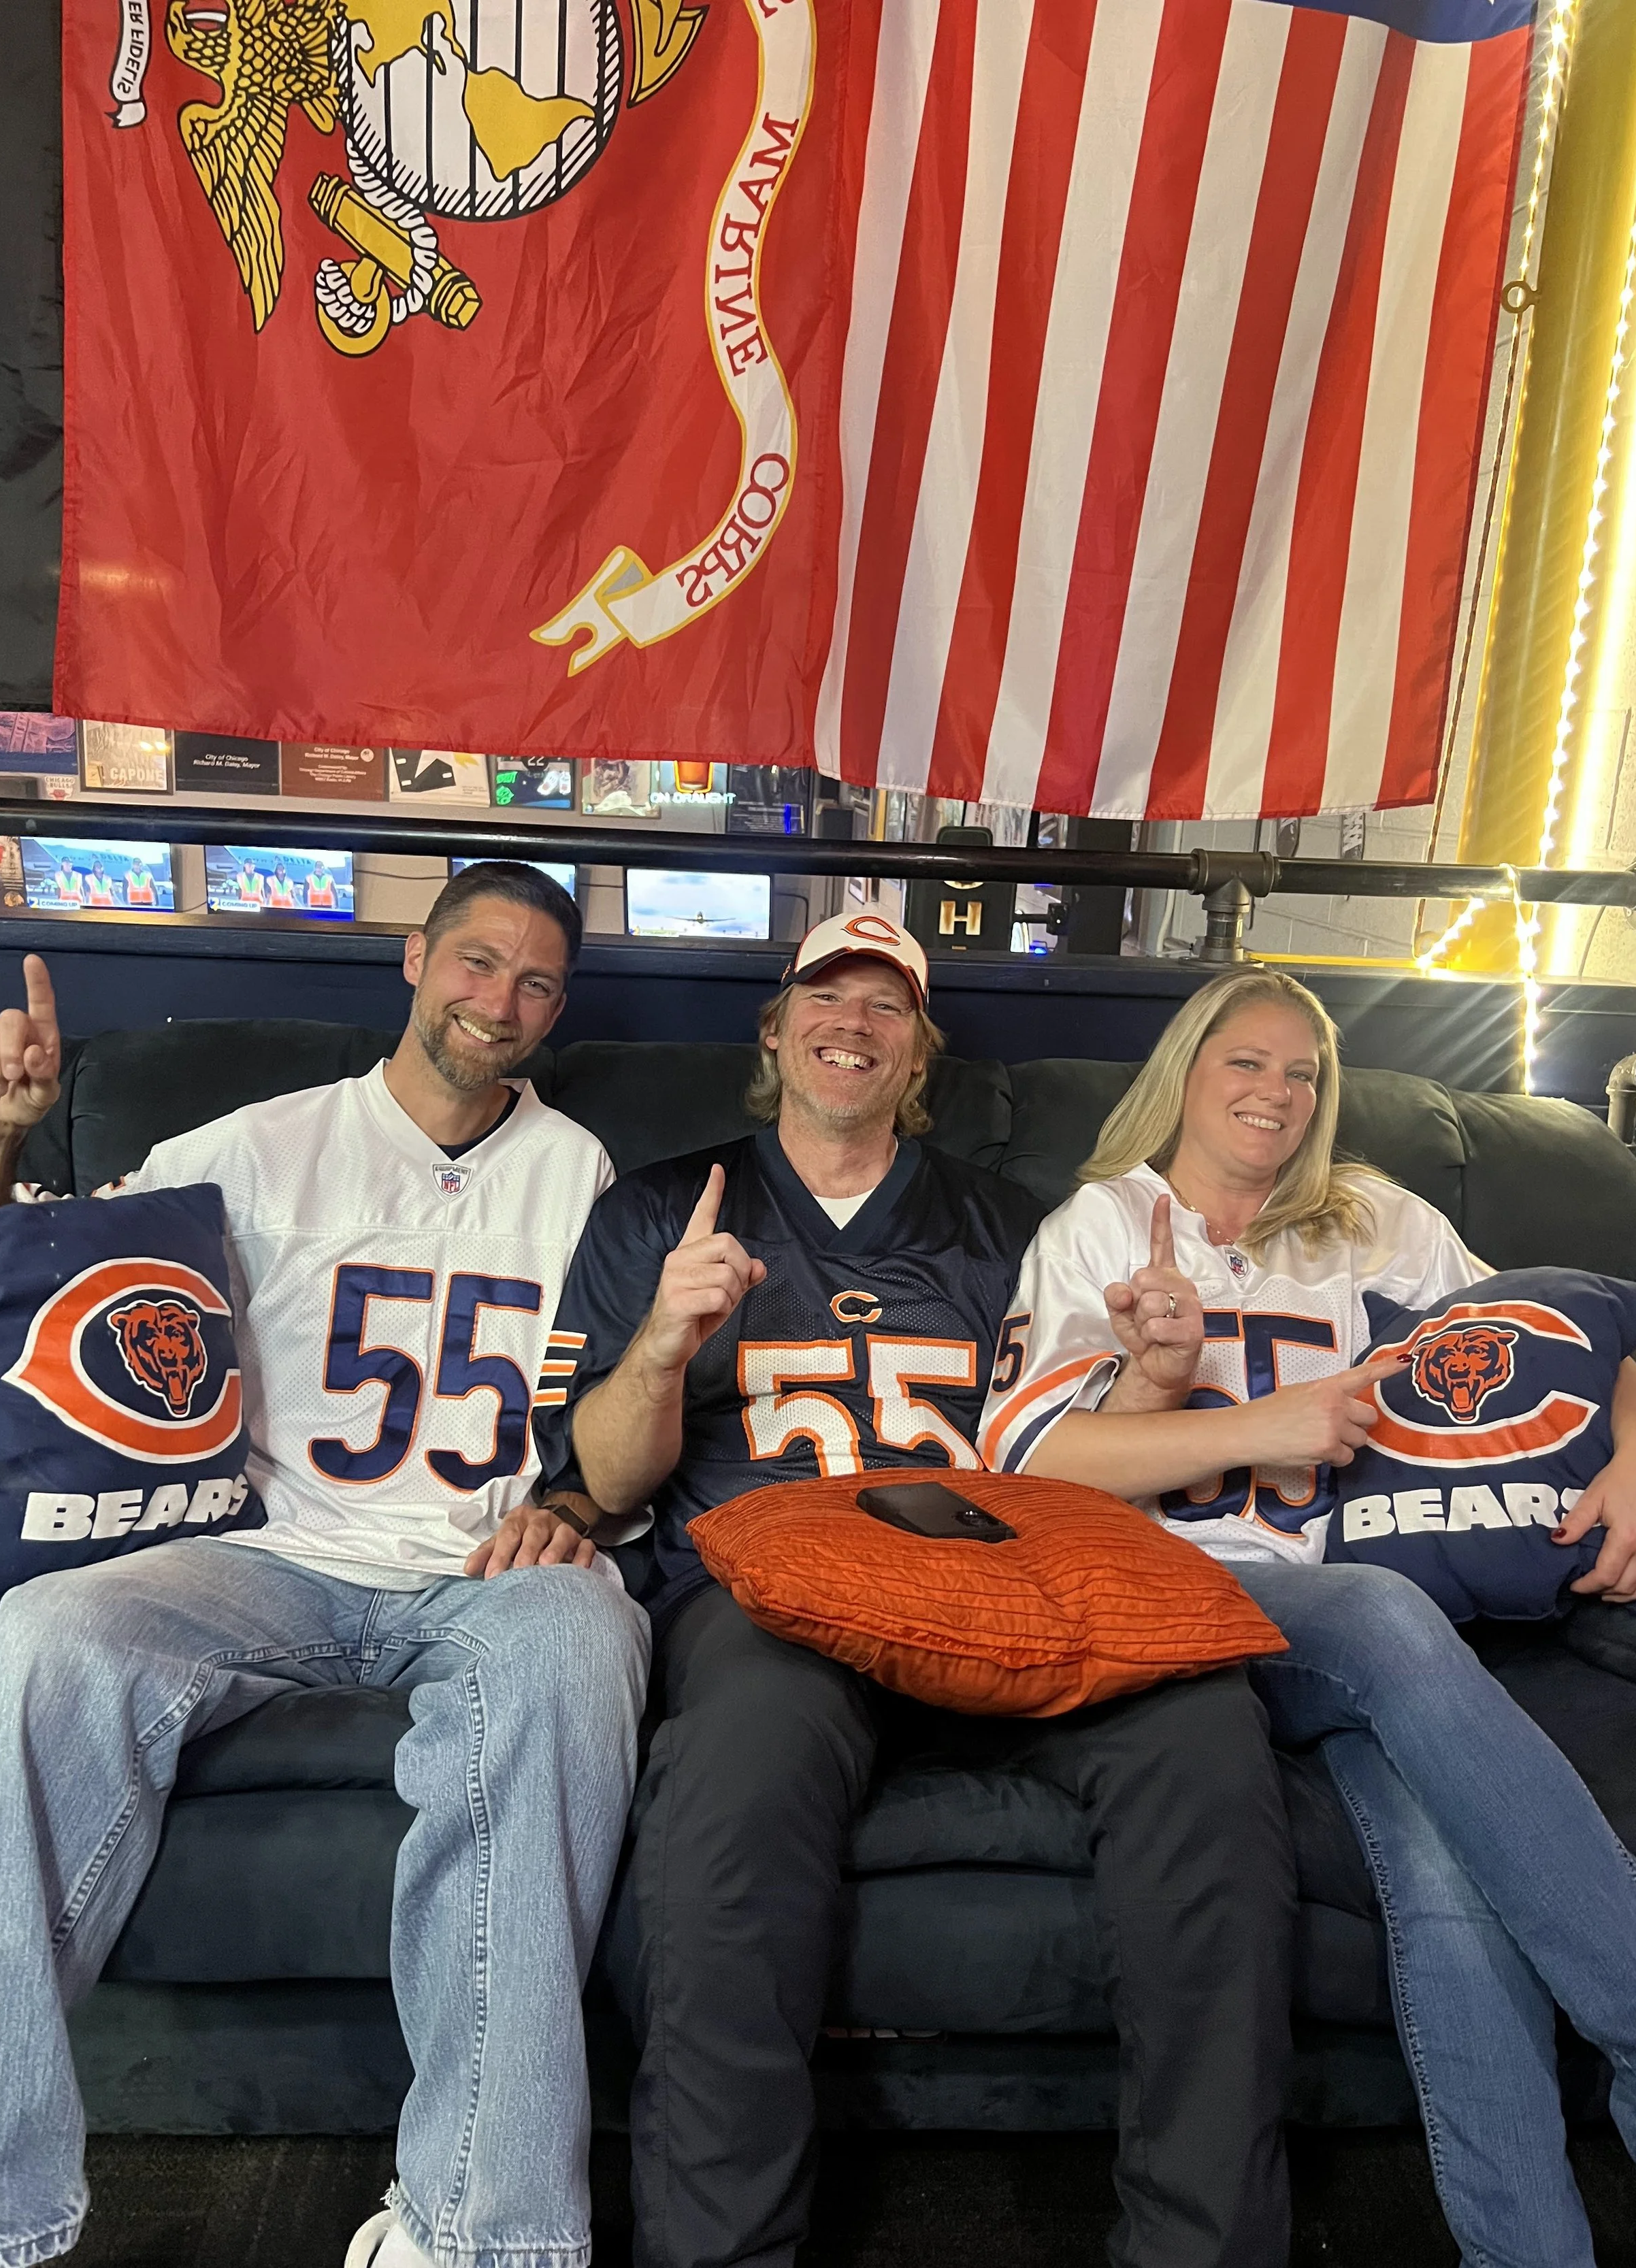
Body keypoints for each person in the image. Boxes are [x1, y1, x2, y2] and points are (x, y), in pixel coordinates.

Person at [535, 912, 1298, 2268]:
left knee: (1202, 1727)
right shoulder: (663, 1205)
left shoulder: (1009, 1224)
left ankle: (1206, 2250)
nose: (851, 1021)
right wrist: (660, 1347)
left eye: (885, 1005)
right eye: (822, 993)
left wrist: (1146, 1372)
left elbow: (1072, 1445)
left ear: (918, 1052)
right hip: (773, 1598)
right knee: (731, 1773)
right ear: (773, 1030)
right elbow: (593, 1484)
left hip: (999, 1581)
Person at [0, 863, 649, 2268]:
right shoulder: (254, 1145)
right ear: (413, 961)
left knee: (579, 1641)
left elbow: (611, 1411)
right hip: (263, 1551)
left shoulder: (582, 1173)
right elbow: (38, 1298)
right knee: (34, 1641)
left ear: (557, 1007)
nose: (498, 1000)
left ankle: (479, 2229)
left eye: (532, 981)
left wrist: (573, 1500)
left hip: (481, 1562)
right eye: (474, 962)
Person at [983, 965, 1636, 2268]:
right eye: (1247, 1063)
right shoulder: (1102, 1227)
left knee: (1439, 1858)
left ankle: (1530, 2250)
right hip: (1196, 1596)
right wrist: (1233, 1411)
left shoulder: (1374, 1221)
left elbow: (1571, 1332)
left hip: (1363, 1624)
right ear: (1188, 1072)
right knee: (1391, 1617)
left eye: (1303, 1074)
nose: (1278, 1094)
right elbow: (1027, 1467)